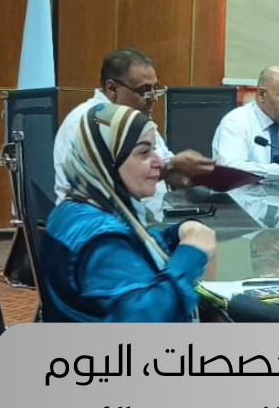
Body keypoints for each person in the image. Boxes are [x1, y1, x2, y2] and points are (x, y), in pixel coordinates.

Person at [40, 104, 217, 322]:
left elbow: (130, 250)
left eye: (154, 150)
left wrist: (174, 235)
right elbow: (145, 322)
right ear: (107, 160)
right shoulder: (102, 240)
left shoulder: (77, 208)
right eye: (144, 153)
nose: (159, 162)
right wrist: (191, 255)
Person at [53, 48, 214, 207]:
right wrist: (171, 166)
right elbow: (109, 185)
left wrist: (188, 172)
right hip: (98, 217)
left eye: (155, 88)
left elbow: (165, 162)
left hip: (151, 211)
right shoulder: (88, 123)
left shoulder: (135, 117)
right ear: (112, 89)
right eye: (145, 90)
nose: (154, 98)